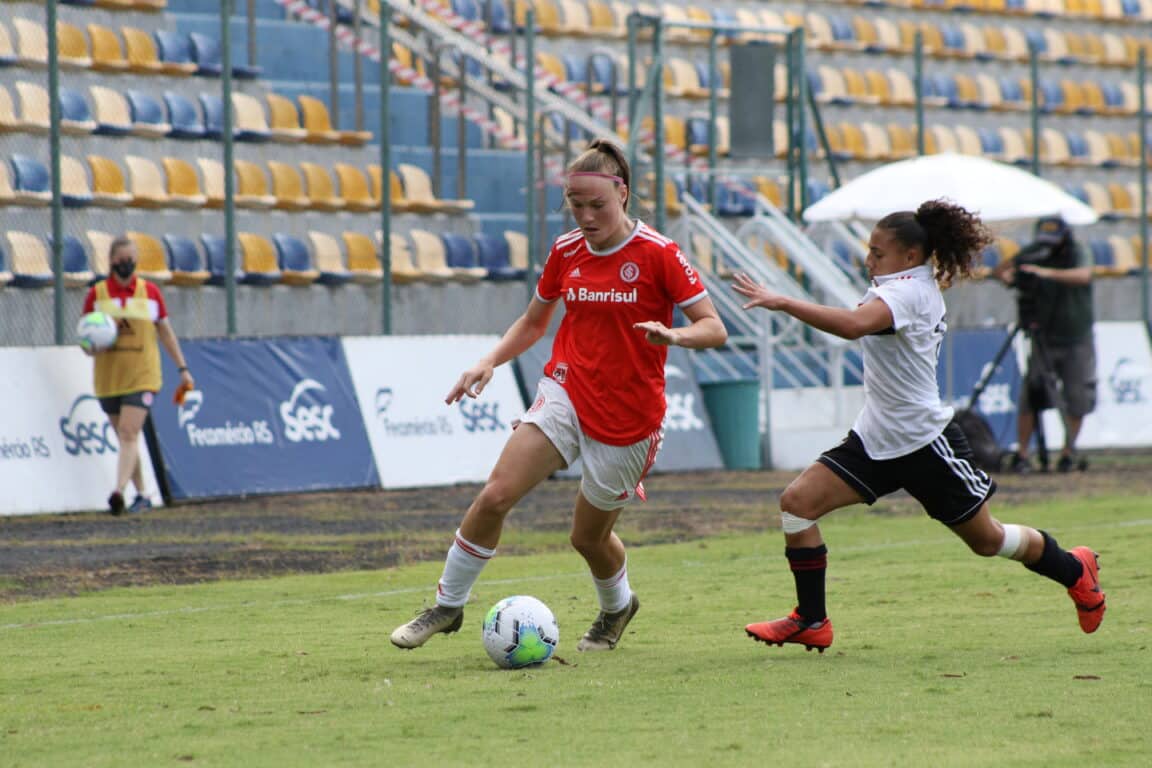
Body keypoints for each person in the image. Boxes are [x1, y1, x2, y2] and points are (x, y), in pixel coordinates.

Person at [389, 139, 728, 653]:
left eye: (598, 205)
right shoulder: (567, 250)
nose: (586, 216)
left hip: (630, 418)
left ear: (624, 195)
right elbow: (533, 321)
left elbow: (714, 328)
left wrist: (675, 335)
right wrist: (489, 361)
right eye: (576, 204)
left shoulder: (659, 254)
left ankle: (618, 607)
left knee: (586, 539)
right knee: (496, 495)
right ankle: (447, 605)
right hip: (566, 390)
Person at [731, 200, 1105, 654]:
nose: (868, 260)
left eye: (877, 252)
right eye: (869, 251)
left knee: (988, 541)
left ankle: (1074, 569)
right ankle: (811, 620)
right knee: (797, 504)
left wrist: (783, 300)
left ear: (909, 256)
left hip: (925, 443)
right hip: (876, 439)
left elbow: (853, 326)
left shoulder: (908, 291)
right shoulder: (897, 285)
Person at [82, 236, 195, 516]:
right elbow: (86, 342)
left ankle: (118, 491)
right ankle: (143, 494)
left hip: (143, 375)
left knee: (129, 432)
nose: (127, 265)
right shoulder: (97, 295)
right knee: (126, 440)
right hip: (109, 378)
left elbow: (165, 333)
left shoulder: (150, 293)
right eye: (122, 260)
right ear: (111, 262)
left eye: (131, 259)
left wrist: (182, 368)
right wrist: (93, 346)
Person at [993, 215, 1096, 473]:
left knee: (1077, 395)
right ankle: (1023, 453)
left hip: (1075, 335)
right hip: (1043, 335)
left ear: (1065, 236)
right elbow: (1002, 269)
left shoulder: (1077, 251)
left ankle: (1067, 452)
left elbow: (1084, 275)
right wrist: (1009, 276)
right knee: (1032, 394)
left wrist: (1044, 273)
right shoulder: (1035, 251)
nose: (1049, 245)